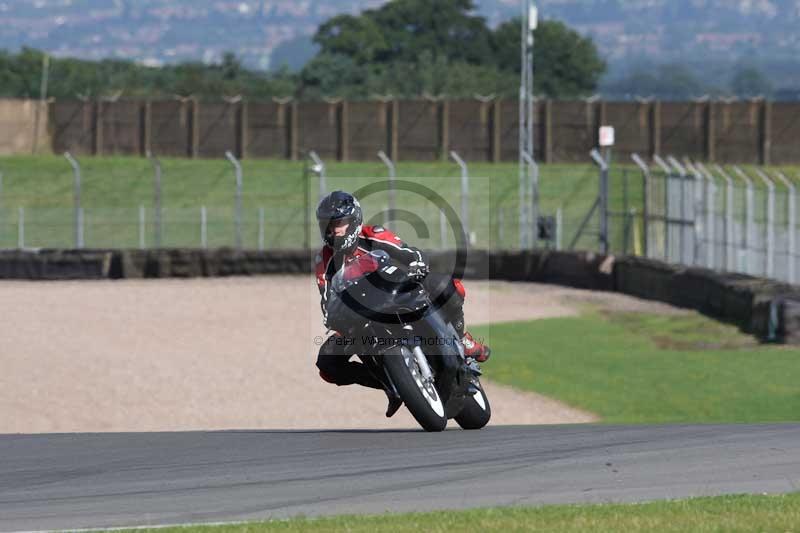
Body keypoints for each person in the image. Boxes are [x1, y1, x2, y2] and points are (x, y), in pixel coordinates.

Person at [314, 190, 491, 417]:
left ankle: (462, 338)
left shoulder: (373, 234)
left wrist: (416, 264)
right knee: (327, 364)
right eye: (327, 225)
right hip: (362, 316)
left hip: (401, 291)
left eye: (337, 224)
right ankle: (389, 384)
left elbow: (411, 253)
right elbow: (327, 300)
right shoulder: (324, 260)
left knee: (449, 287)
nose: (332, 231)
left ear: (354, 220)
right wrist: (334, 317)